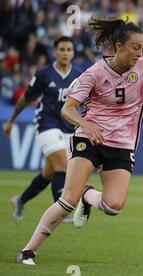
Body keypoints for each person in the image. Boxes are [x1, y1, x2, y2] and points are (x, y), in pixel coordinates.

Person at [15, 15, 143, 265]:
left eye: (142, 48)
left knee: (114, 206)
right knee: (67, 201)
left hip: (121, 143)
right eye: (135, 47)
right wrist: (86, 124)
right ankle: (28, 251)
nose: (140, 53)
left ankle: (87, 196)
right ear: (119, 46)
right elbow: (67, 109)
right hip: (89, 138)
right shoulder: (95, 72)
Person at [3, 36, 83, 223]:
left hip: (68, 127)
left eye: (68, 50)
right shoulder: (44, 74)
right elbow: (26, 97)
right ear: (55, 52)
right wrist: (11, 120)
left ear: (73, 53)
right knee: (63, 165)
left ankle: (20, 200)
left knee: (49, 173)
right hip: (46, 124)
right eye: (61, 49)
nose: (65, 53)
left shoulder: (79, 75)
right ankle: (62, 210)